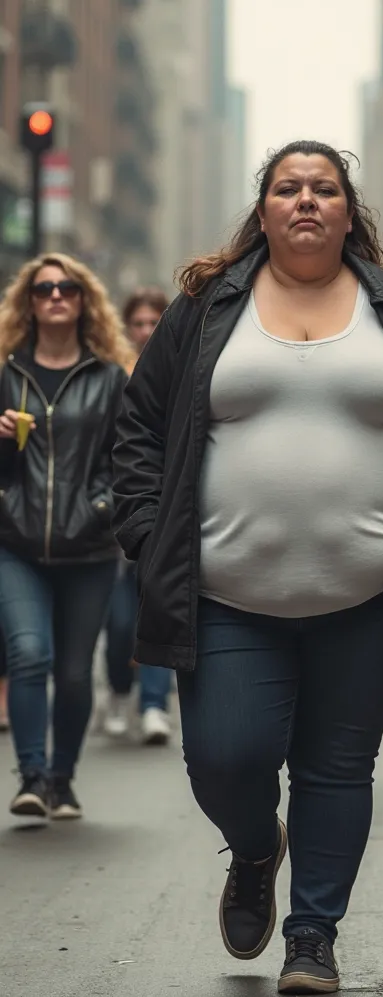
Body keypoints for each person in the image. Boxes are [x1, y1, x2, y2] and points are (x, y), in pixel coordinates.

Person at [112, 140, 383, 994]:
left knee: (336, 768)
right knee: (224, 756)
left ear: (349, 210)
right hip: (226, 596)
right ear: (265, 209)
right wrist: (150, 533)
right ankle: (255, 850)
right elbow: (138, 430)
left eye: (325, 188)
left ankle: (312, 934)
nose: (307, 201)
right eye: (289, 188)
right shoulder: (208, 308)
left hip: (373, 599)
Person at [0, 253, 130, 819]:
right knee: (28, 654)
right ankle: (31, 776)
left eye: (68, 288)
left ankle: (62, 778)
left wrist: (100, 505)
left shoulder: (108, 379)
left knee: (76, 672)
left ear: (84, 302)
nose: (56, 296)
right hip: (16, 541)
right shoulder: (5, 374)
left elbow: (128, 458)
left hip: (90, 545)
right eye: (44, 288)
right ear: (29, 302)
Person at [102, 287, 173, 744]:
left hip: (166, 516)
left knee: (159, 609)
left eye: (155, 322)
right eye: (139, 323)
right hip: (111, 516)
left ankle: (153, 705)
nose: (146, 331)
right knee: (121, 621)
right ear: (127, 328)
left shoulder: (181, 371)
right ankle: (118, 690)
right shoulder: (111, 378)